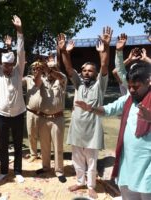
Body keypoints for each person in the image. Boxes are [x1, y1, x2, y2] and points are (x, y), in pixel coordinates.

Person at [74, 61, 151, 200]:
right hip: (127, 162)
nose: (132, 90)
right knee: (128, 193)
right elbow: (109, 109)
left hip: (147, 166)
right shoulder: (129, 98)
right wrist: (91, 108)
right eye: (130, 86)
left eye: (136, 87)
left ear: (148, 82)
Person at [58, 27, 112, 199]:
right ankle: (80, 181)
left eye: (90, 70)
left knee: (92, 161)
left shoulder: (99, 86)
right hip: (77, 129)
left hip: (92, 131)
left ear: (95, 73)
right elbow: (67, 67)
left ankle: (90, 185)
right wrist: (63, 51)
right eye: (84, 70)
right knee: (77, 160)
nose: (87, 73)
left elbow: (104, 65)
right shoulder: (79, 84)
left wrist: (106, 46)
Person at [0, 14, 26, 183]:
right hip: (2, 114)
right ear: (2, 64)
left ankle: (18, 171)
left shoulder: (19, 71)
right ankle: (4, 170)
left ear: (14, 64)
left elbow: (21, 52)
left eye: (10, 64)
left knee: (18, 145)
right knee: (2, 144)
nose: (8, 67)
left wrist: (19, 31)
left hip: (18, 113)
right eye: (6, 65)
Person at [34, 59, 67, 183]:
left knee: (58, 146)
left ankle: (59, 171)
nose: (50, 70)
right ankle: (46, 167)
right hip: (43, 118)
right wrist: (38, 72)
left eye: (53, 67)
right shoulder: (42, 79)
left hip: (57, 118)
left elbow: (59, 76)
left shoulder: (61, 78)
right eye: (49, 68)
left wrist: (48, 69)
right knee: (44, 145)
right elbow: (36, 83)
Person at [22, 60, 44, 163]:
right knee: (31, 134)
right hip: (30, 111)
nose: (36, 70)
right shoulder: (27, 79)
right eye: (34, 69)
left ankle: (44, 153)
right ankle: (33, 154)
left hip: (43, 112)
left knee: (44, 135)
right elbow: (17, 80)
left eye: (38, 68)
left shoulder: (45, 79)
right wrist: (21, 66)